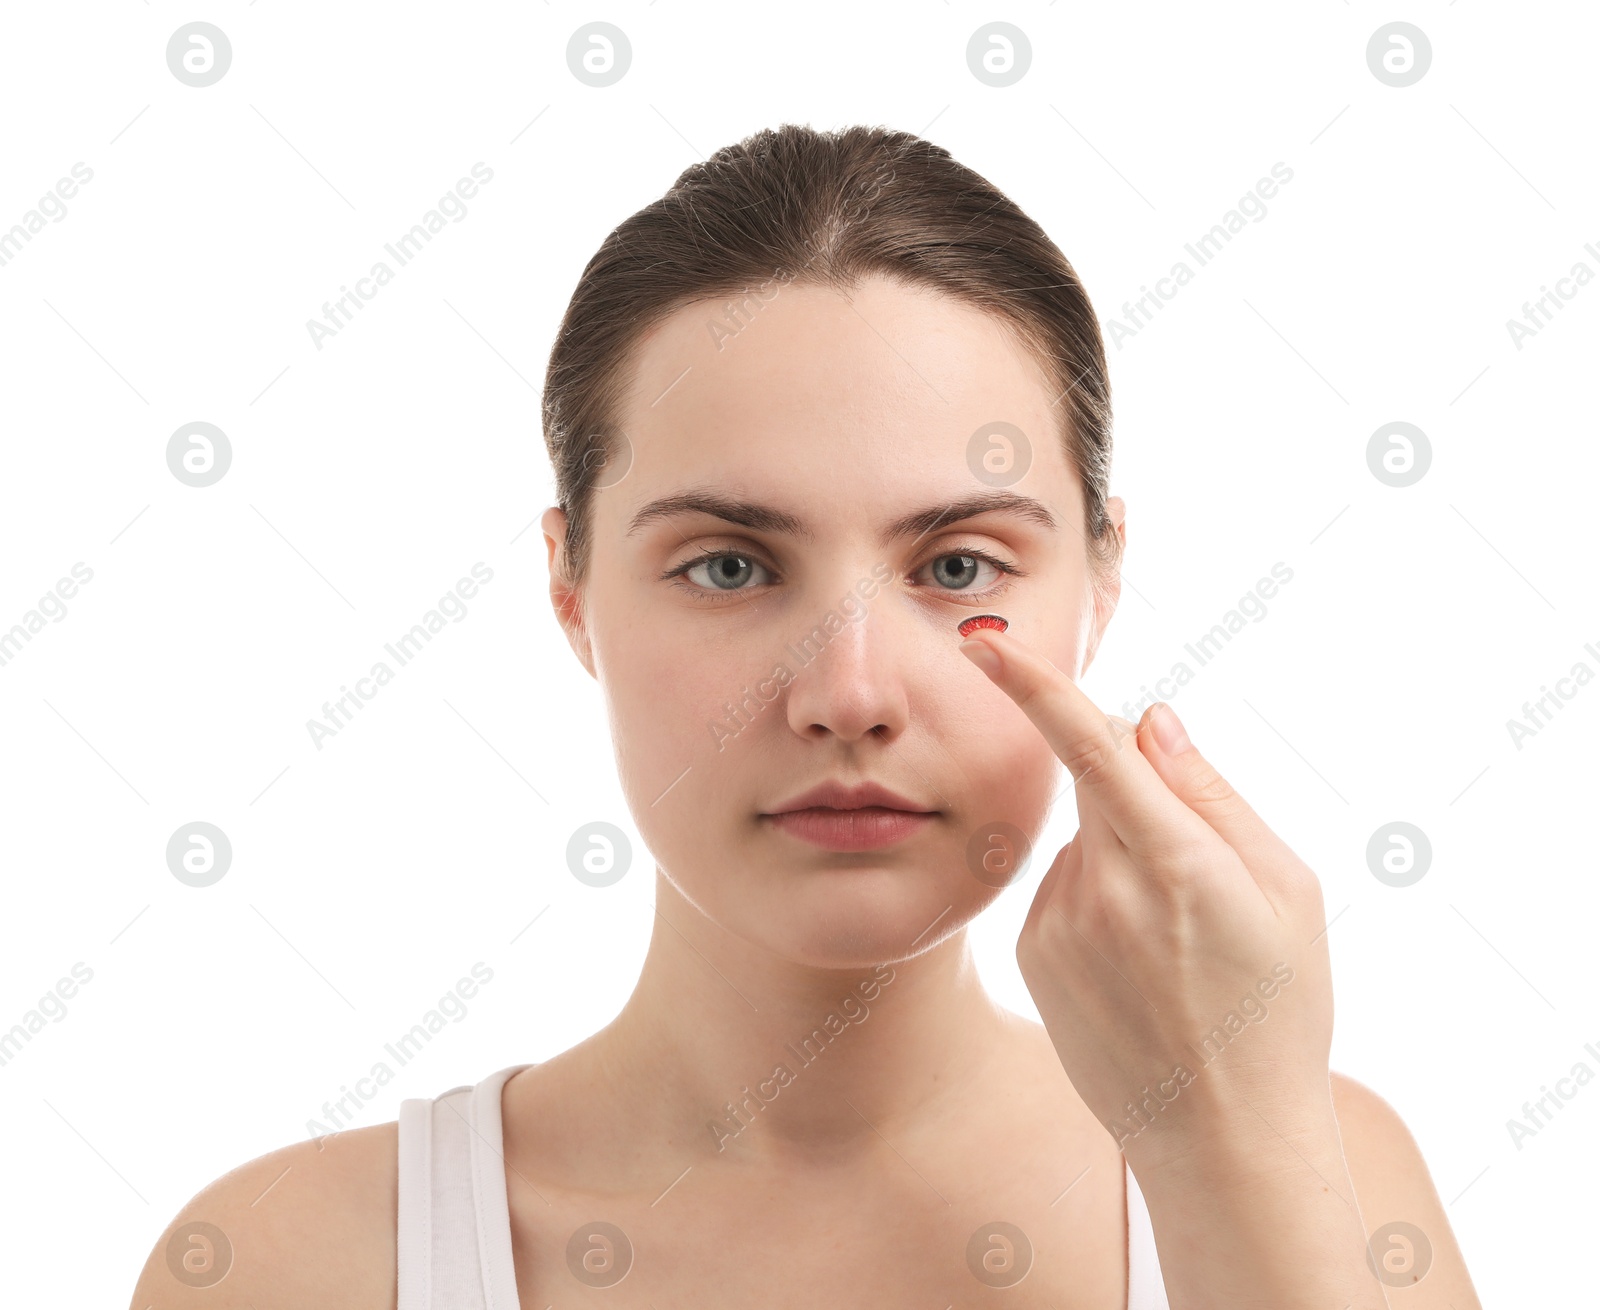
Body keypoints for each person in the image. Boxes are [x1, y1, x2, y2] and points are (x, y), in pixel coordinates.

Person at [129, 123, 1481, 1308]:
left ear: (1103, 576)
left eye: (957, 567)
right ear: (570, 585)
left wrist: (1223, 1160)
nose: (849, 696)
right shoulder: (294, 1264)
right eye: (730, 565)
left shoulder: (1322, 1176)